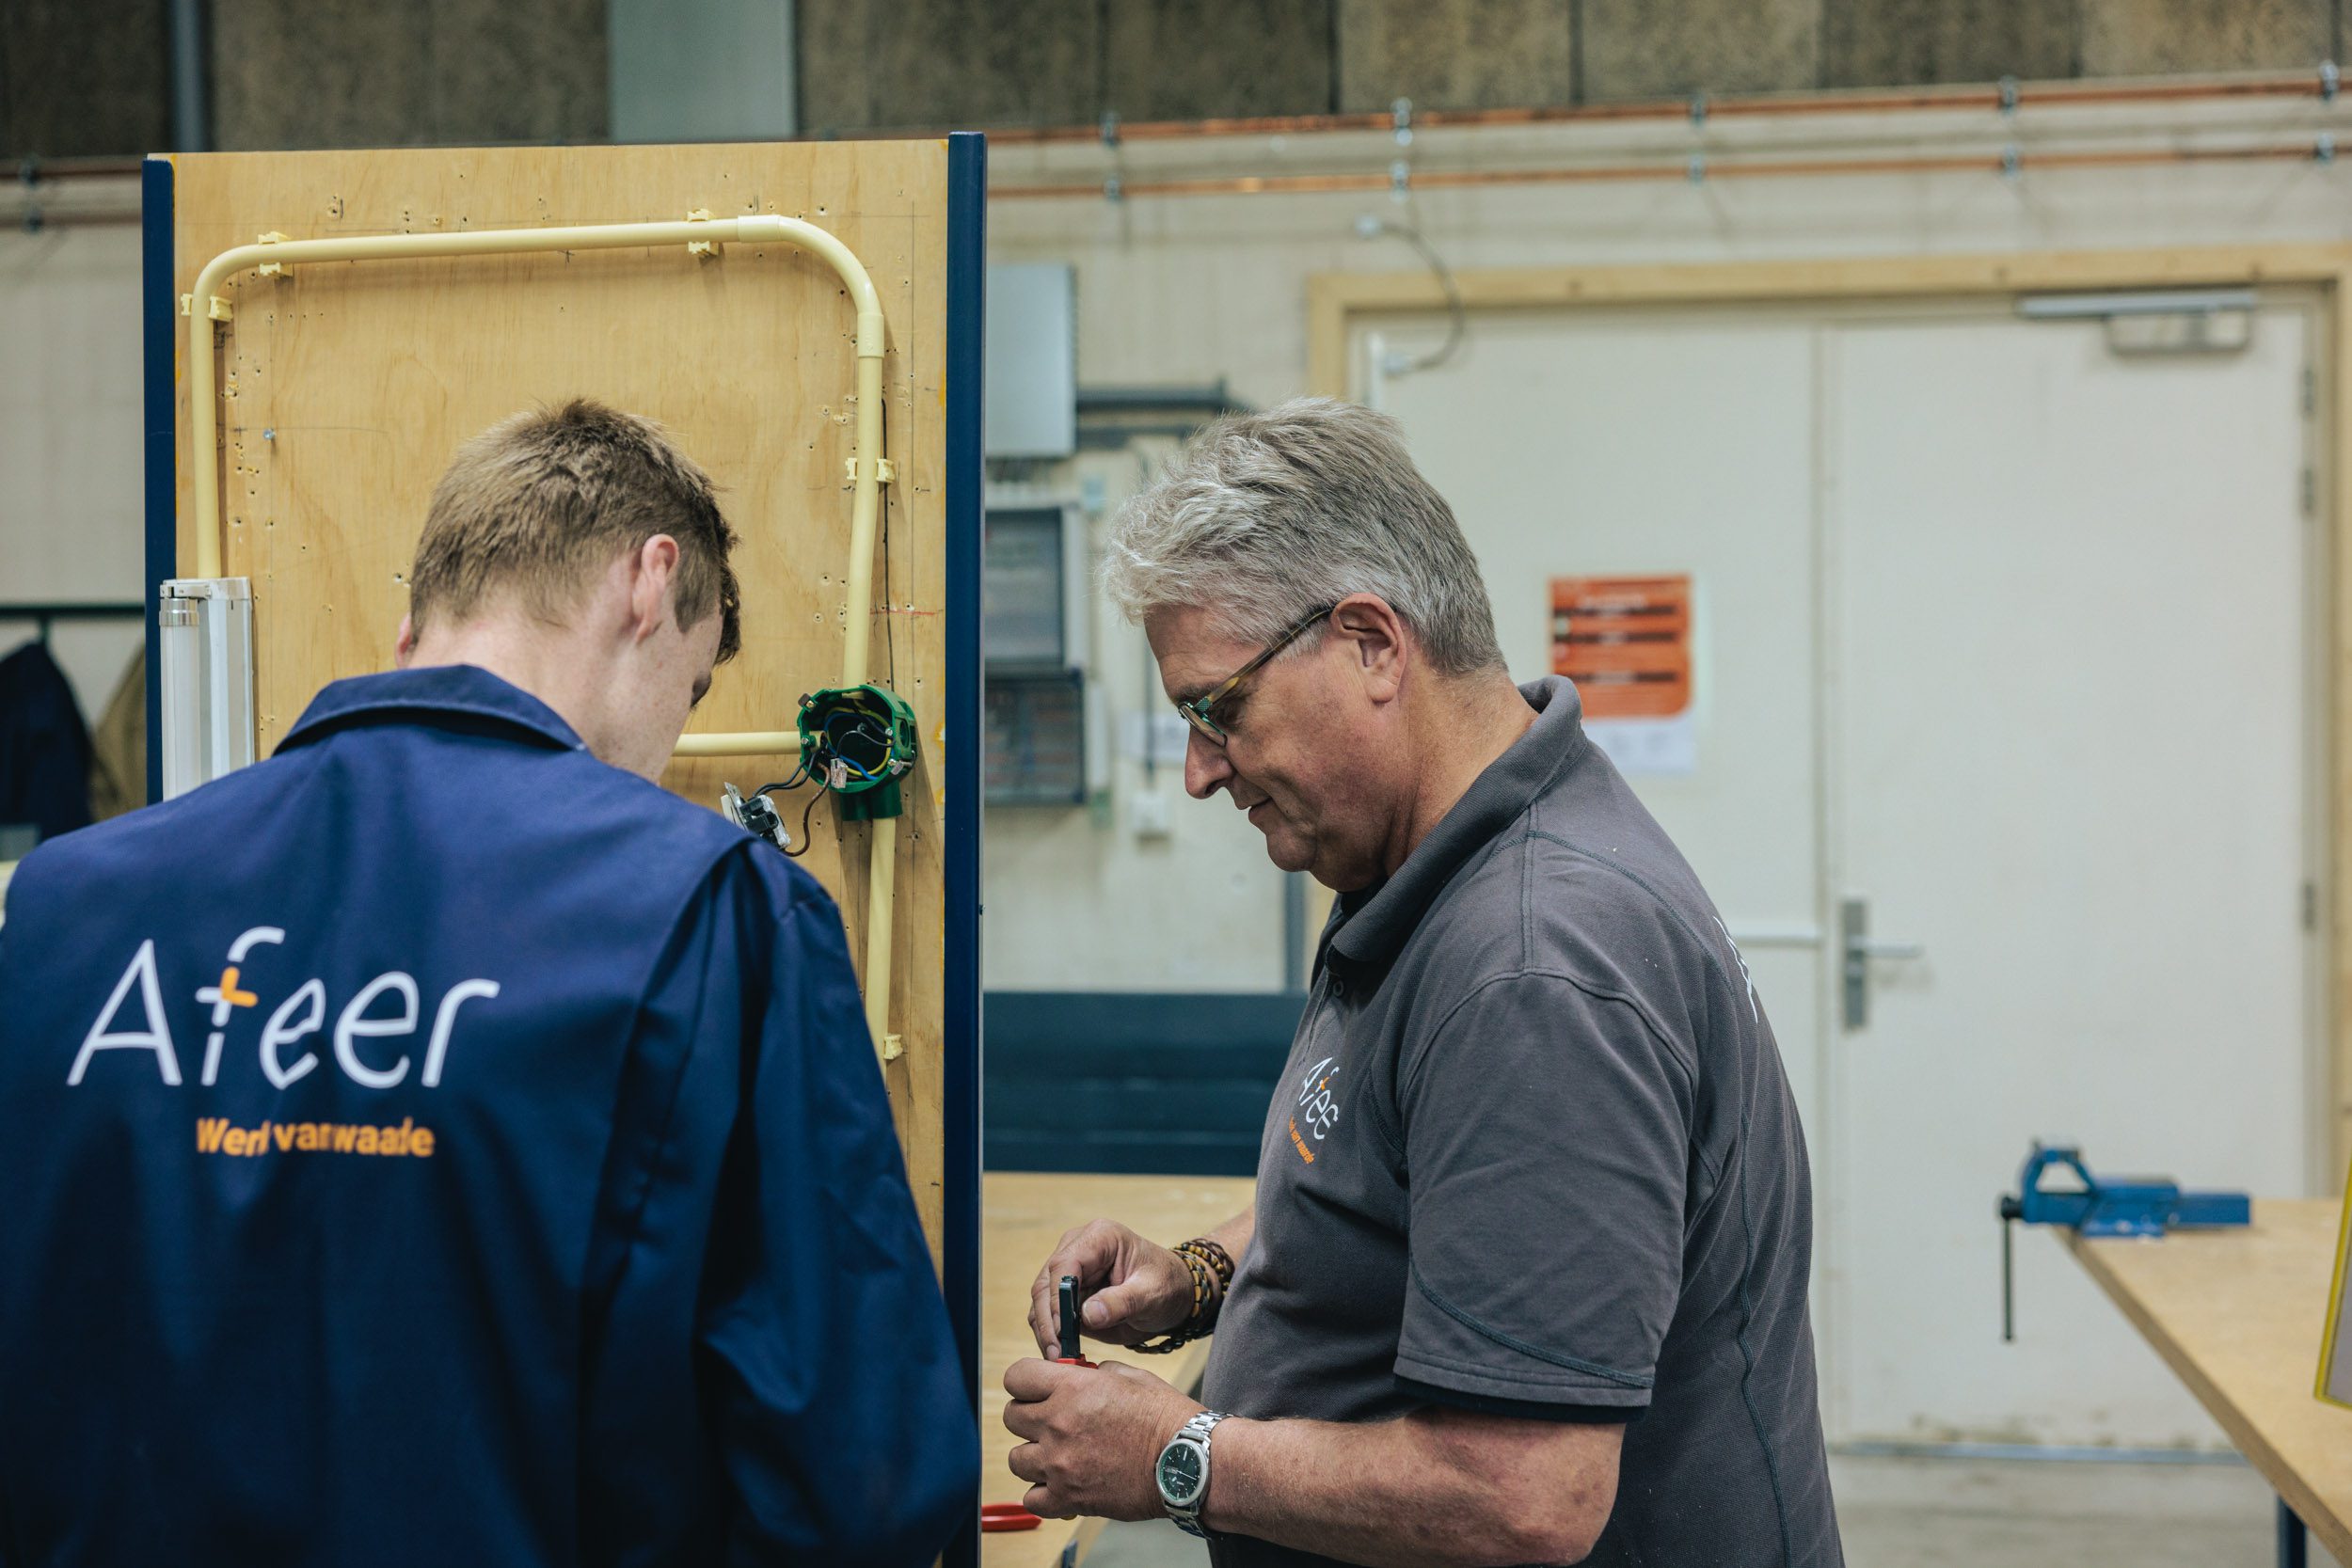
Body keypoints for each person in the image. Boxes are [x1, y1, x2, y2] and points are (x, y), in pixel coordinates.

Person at [0, 399, 976, 1565]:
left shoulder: (63, 903)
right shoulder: (718, 911)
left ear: (418, 618)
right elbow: (858, 1477)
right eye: (698, 685)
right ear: (652, 584)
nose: (675, 732)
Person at [1003, 399, 1840, 1567]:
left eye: (1218, 708)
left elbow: (1523, 1494)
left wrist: (1178, 1452)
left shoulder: (1533, 964)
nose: (1199, 768)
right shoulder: (1428, 865)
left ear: (1371, 643)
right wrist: (1195, 1277)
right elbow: (1419, 1184)